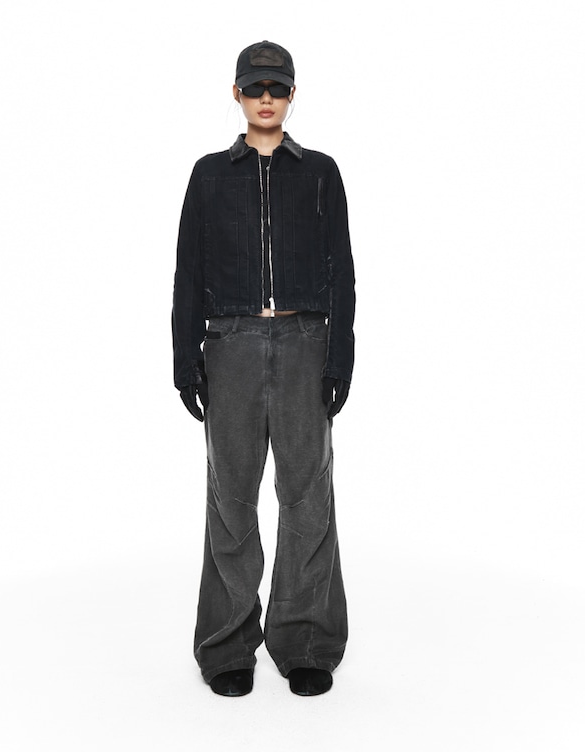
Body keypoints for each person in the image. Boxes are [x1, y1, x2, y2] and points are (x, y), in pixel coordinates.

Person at [171, 40, 355, 697]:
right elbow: (188, 268)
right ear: (237, 94)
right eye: (255, 87)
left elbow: (342, 268)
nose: (266, 98)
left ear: (293, 93)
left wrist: (340, 354)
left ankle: (304, 641)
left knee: (307, 496)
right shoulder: (209, 175)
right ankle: (227, 646)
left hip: (305, 341)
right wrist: (184, 356)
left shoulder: (321, 173)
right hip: (231, 344)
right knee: (231, 498)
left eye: (277, 87)